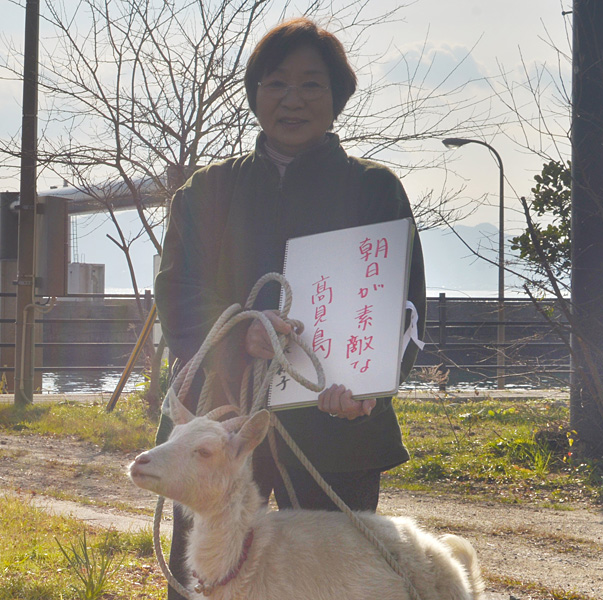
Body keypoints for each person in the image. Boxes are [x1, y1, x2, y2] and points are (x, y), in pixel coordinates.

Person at [154, 17, 426, 599]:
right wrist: (240, 334)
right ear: (254, 95)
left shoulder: (374, 189)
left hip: (335, 423)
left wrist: (368, 387)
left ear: (337, 99)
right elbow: (177, 293)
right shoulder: (207, 191)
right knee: (207, 575)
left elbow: (402, 306)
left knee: (332, 577)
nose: (293, 100)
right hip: (217, 421)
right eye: (276, 84)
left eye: (312, 85)